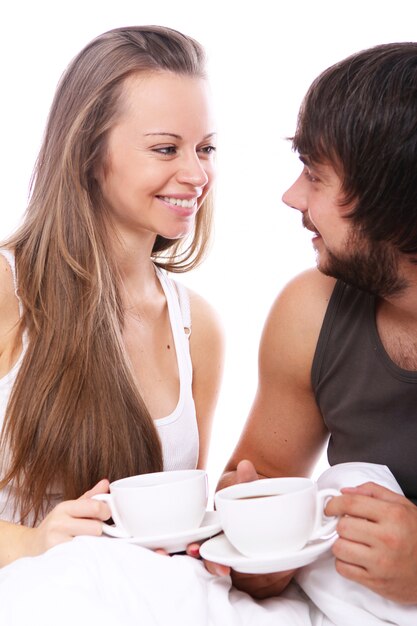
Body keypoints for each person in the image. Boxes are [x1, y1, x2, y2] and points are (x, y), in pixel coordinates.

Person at [0, 25, 224, 567]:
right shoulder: (8, 291)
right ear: (87, 153)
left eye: (206, 148)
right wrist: (32, 542)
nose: (195, 173)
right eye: (166, 149)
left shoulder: (198, 326)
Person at [214, 42, 417, 604]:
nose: (291, 196)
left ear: (397, 200)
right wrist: (258, 547)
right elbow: (261, 483)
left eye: (315, 175)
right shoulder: (311, 310)